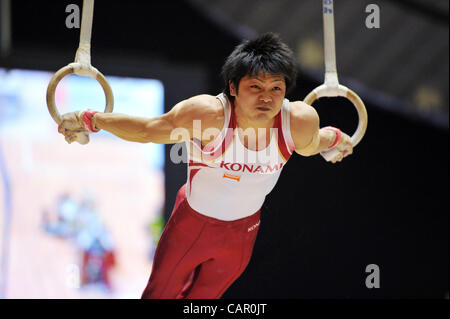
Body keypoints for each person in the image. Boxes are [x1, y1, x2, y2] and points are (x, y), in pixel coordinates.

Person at [57, 33, 353, 299]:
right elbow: (148, 130)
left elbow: (313, 143)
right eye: (255, 86)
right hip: (192, 225)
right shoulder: (208, 116)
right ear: (233, 88)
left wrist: (336, 139)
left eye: (277, 87)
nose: (267, 97)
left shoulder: (299, 121)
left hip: (243, 234)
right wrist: (90, 119)